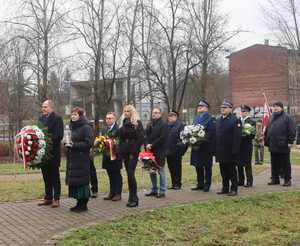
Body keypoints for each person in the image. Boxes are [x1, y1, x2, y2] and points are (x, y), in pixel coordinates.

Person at [65, 107, 93, 212]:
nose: (73, 116)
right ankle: (78, 203)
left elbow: (88, 143)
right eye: (72, 114)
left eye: (75, 114)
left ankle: (83, 204)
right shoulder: (72, 127)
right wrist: (67, 143)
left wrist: (74, 145)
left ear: (80, 116)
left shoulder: (86, 127)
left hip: (82, 158)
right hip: (73, 158)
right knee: (75, 182)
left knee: (82, 182)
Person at [38, 100, 64, 208]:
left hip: (53, 153)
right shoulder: (41, 119)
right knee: (46, 176)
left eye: (45, 107)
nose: (43, 109)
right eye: (42, 107)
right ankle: (48, 197)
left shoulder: (58, 119)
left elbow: (59, 136)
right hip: (43, 154)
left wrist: (45, 140)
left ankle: (56, 199)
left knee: (54, 177)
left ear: (51, 108)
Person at [118, 105, 144, 207]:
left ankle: (134, 197)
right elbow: (121, 138)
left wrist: (134, 151)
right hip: (125, 151)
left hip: (133, 151)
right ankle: (131, 197)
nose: (126, 113)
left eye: (128, 111)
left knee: (130, 174)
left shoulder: (137, 123)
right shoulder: (123, 123)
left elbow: (140, 138)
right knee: (129, 175)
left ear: (132, 112)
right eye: (124, 111)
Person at [265, 101, 295, 186]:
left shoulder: (287, 117)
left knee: (285, 163)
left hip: (283, 144)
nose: (275, 108)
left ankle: (287, 180)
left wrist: (290, 141)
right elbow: (268, 129)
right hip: (273, 144)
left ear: (281, 108)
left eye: (277, 106)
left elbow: (292, 130)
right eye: (274, 106)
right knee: (274, 164)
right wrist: (266, 140)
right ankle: (275, 179)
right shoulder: (271, 117)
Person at [216, 100, 242, 196]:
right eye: (222, 107)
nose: (222, 109)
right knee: (223, 172)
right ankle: (225, 188)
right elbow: (217, 135)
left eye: (225, 107)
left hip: (230, 151)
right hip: (221, 151)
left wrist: (235, 150)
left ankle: (234, 189)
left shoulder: (235, 120)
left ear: (230, 109)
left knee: (232, 171)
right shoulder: (218, 120)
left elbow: (237, 137)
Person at [190, 100, 216, 192]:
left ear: (206, 108)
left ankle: (207, 184)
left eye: (201, 106)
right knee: (198, 165)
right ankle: (200, 184)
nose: (199, 107)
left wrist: (201, 139)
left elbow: (211, 132)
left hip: (206, 146)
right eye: (198, 106)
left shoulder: (210, 118)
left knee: (207, 166)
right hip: (197, 146)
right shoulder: (196, 118)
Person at [145, 107, 168, 198]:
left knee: (161, 171)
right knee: (152, 171)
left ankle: (162, 191)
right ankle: (154, 189)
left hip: (160, 151)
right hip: (150, 152)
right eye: (153, 112)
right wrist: (147, 144)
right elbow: (146, 135)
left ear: (160, 114)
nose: (154, 114)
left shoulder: (163, 124)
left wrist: (152, 145)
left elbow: (162, 138)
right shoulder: (150, 124)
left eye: (157, 112)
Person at [102, 112, 122, 201]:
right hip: (106, 156)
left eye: (110, 118)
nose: (108, 120)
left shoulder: (118, 129)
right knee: (110, 175)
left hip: (115, 156)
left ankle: (118, 193)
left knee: (116, 175)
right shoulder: (104, 129)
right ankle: (112, 192)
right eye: (107, 118)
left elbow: (119, 143)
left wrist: (111, 143)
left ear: (114, 119)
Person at [165, 110, 185, 190]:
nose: (170, 118)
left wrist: (180, 149)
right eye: (169, 116)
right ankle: (173, 183)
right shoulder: (167, 125)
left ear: (176, 117)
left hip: (177, 151)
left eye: (172, 116)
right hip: (168, 151)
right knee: (171, 168)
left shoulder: (180, 125)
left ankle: (178, 184)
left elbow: (183, 138)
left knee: (177, 168)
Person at [237, 105, 256, 187]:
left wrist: (242, 135)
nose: (242, 113)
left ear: (248, 112)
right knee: (239, 164)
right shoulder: (238, 120)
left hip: (247, 145)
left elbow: (252, 134)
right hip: (238, 146)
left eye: (244, 111)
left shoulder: (251, 121)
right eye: (242, 111)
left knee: (247, 164)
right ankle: (241, 180)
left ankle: (249, 181)